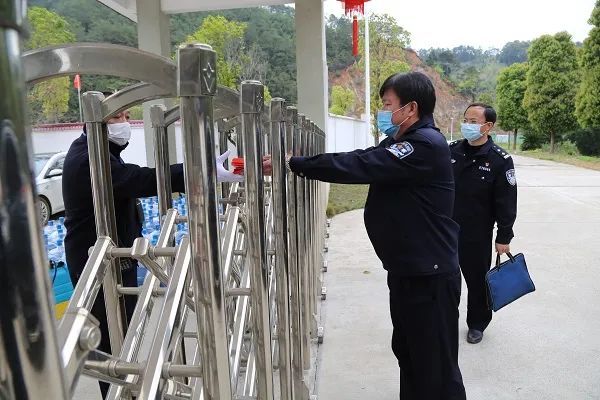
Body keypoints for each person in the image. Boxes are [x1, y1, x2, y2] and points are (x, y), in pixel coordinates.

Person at [269, 72, 466, 399]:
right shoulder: (402, 141)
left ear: (411, 107)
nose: (383, 112)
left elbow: (362, 164)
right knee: (410, 354)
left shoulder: (424, 145)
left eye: (388, 105)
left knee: (436, 368)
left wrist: (298, 164)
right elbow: (365, 158)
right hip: (408, 272)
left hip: (428, 277)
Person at [63, 103, 243, 397]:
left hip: (114, 255)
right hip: (97, 260)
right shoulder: (87, 158)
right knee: (110, 341)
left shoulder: (100, 153)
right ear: (93, 122)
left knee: (125, 329)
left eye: (125, 116)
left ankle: (127, 390)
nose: (123, 123)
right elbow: (139, 180)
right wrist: (199, 171)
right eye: (115, 118)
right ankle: (118, 393)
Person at [449, 103, 518, 344]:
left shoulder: (500, 160)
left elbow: (507, 201)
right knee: (445, 280)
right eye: (465, 119)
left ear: (488, 126)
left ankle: (477, 324)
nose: (467, 124)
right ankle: (445, 321)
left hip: (476, 234)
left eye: (473, 121)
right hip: (445, 230)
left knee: (477, 281)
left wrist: (504, 237)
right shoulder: (451, 152)